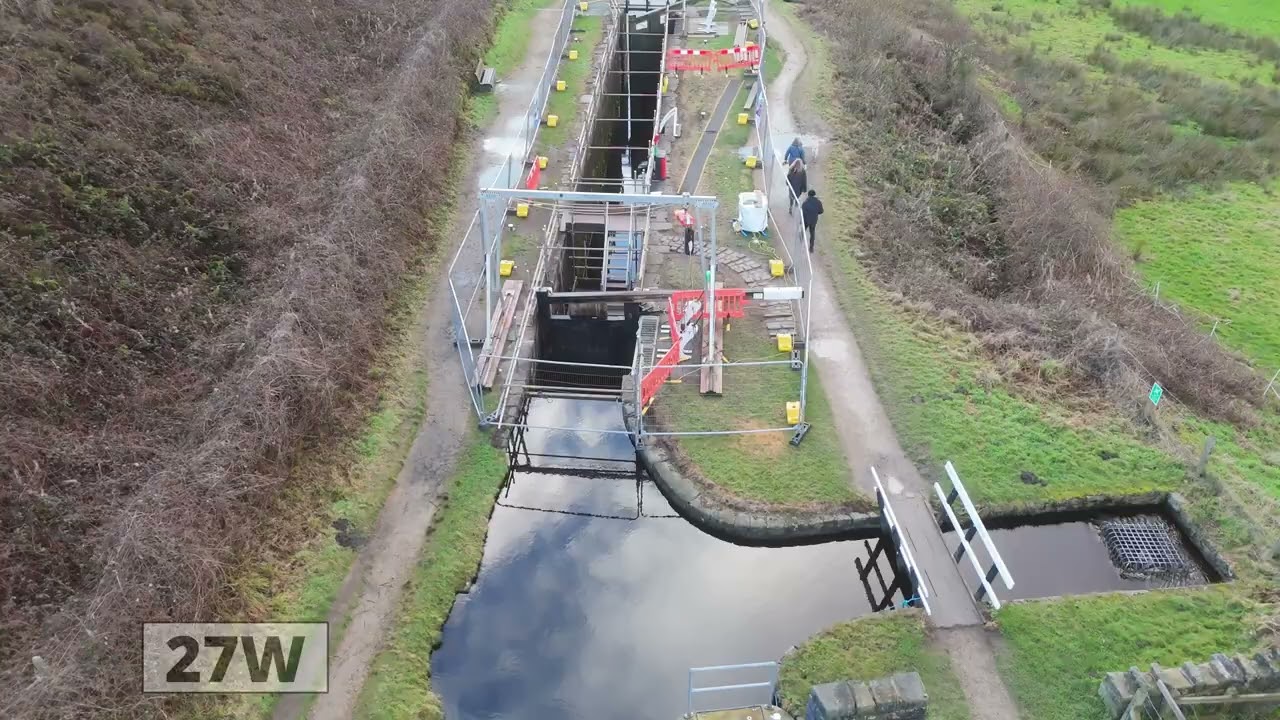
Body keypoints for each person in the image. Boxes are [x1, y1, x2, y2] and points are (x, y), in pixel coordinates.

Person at [801, 189, 823, 253]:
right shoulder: (818, 202)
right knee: (812, 233)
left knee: (803, 230)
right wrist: (816, 212)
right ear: (814, 195)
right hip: (814, 220)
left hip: (806, 219)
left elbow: (802, 211)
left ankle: (800, 242)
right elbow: (821, 211)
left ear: (808, 195)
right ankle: (811, 247)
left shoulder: (805, 202)